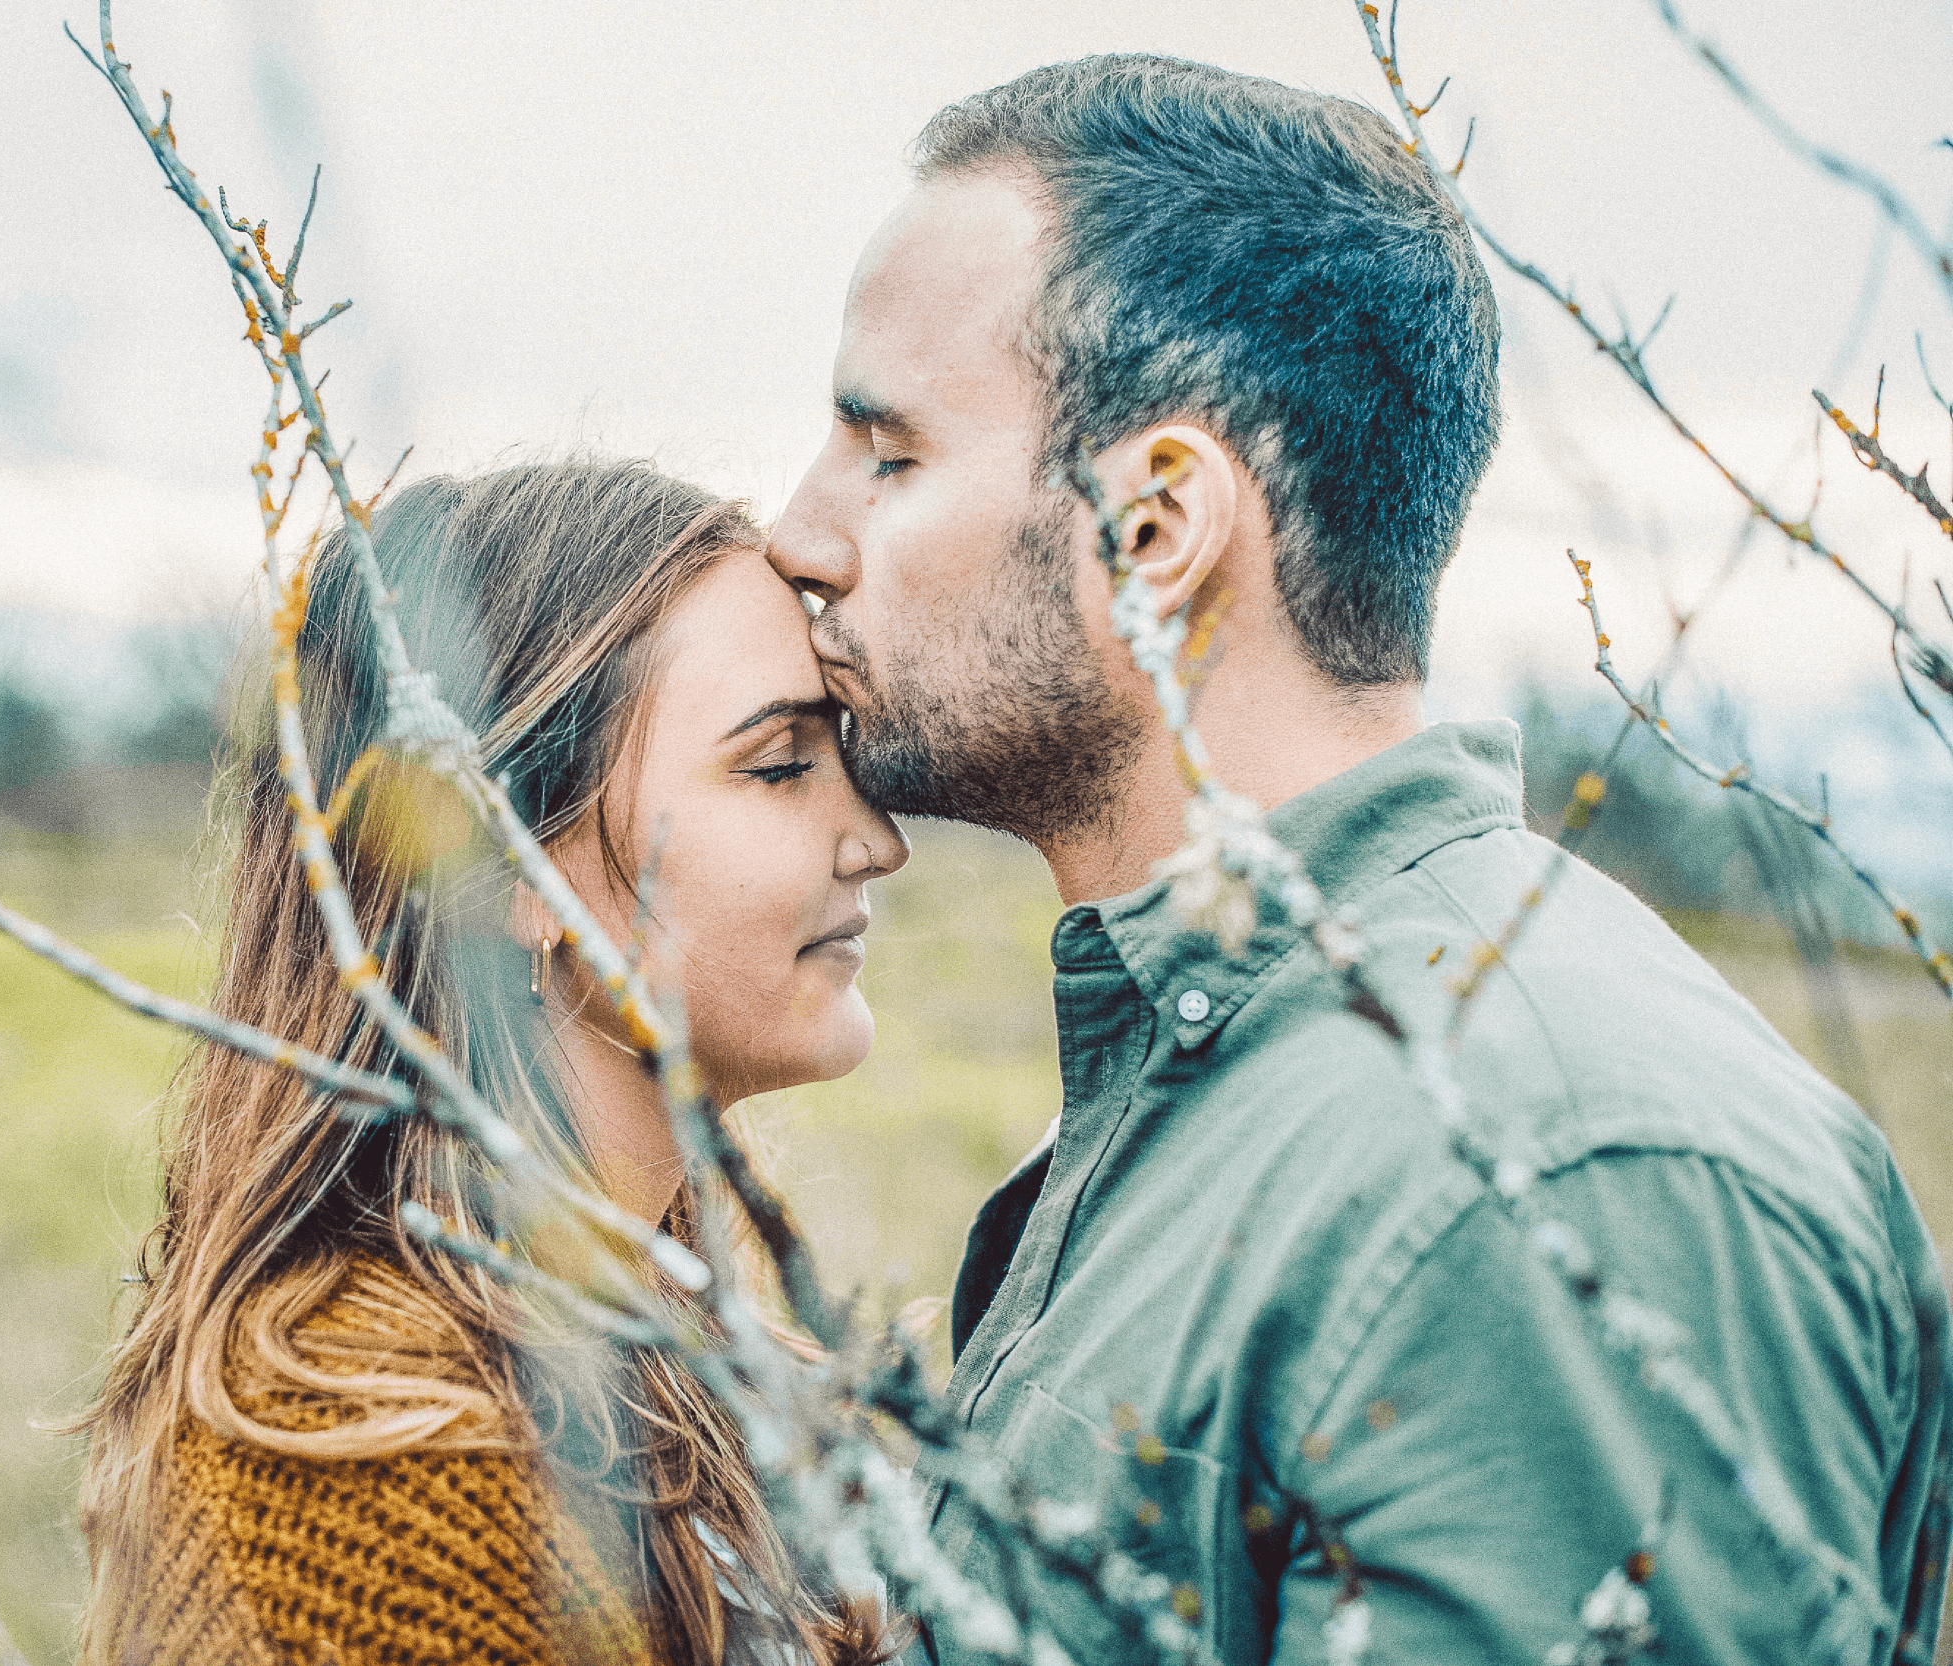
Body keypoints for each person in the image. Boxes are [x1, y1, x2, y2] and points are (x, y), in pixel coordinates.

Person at [770, 55, 1953, 1664]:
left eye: (888, 456)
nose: (800, 533)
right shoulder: (1226, 1062)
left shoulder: (1552, 1172)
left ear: (1157, 527)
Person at [77, 459, 907, 1666]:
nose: (874, 839)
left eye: (843, 756)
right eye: (777, 764)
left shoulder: (690, 1369)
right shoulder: (367, 1469)